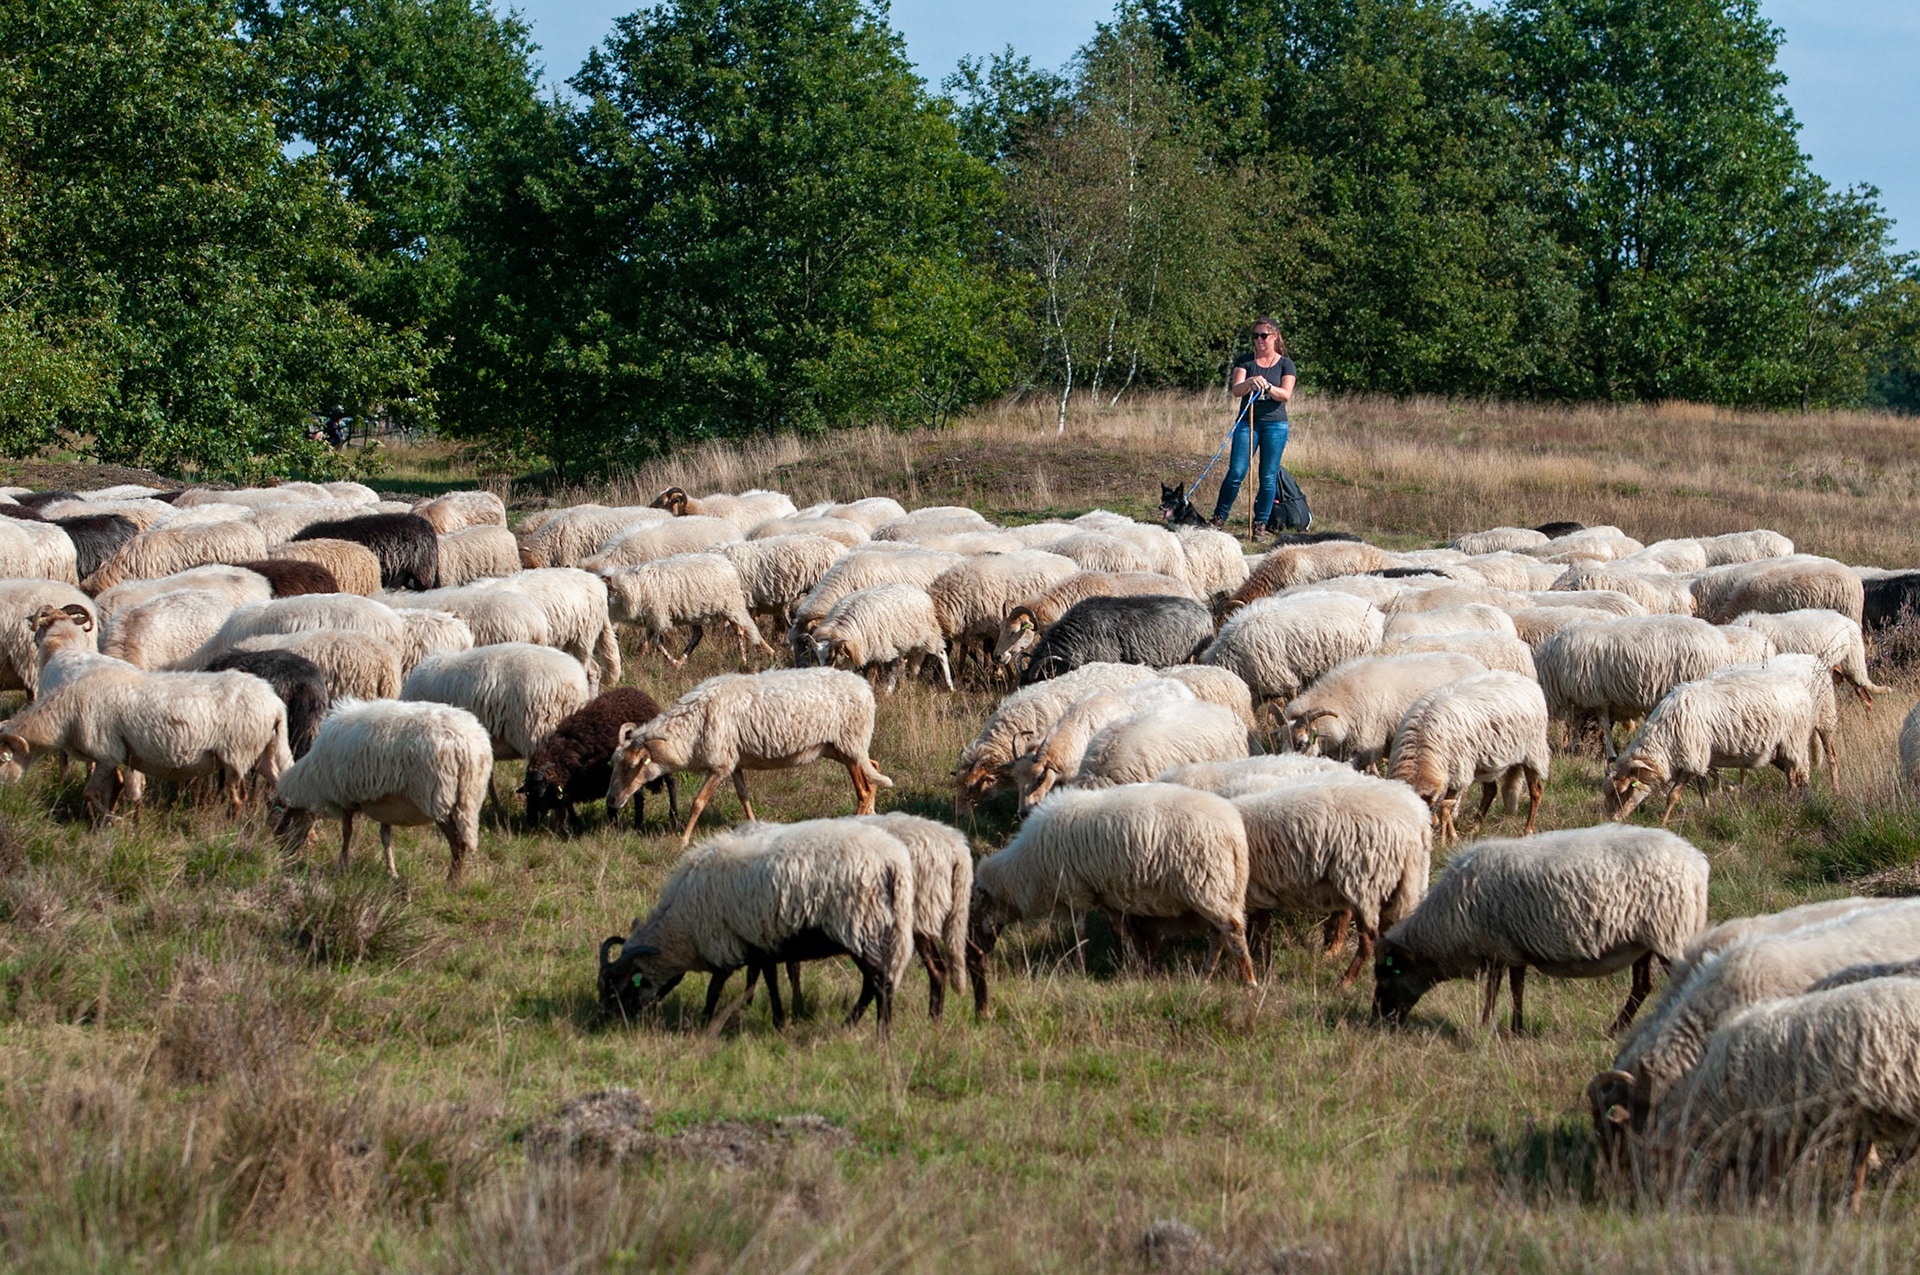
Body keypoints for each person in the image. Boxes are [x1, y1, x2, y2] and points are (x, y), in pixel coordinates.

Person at [1210, 318, 1296, 537]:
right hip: (1247, 423)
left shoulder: (1285, 364)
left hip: (1275, 425)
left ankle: (1260, 524)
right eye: (1255, 336)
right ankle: (1219, 518)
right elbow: (1237, 389)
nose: (1258, 340)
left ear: (1275, 337)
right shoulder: (1246, 361)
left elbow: (1285, 395)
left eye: (1263, 336)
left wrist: (1267, 386)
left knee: (1267, 476)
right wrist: (1250, 382)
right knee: (1237, 472)